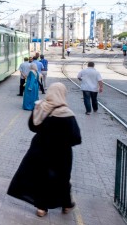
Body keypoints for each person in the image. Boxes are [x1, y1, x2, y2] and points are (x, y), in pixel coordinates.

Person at [7, 82, 82, 217]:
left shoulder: (40, 107)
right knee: (63, 178)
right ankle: (66, 204)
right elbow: (76, 138)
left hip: (40, 149)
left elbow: (32, 127)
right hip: (61, 153)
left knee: (41, 177)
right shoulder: (67, 113)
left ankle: (41, 208)